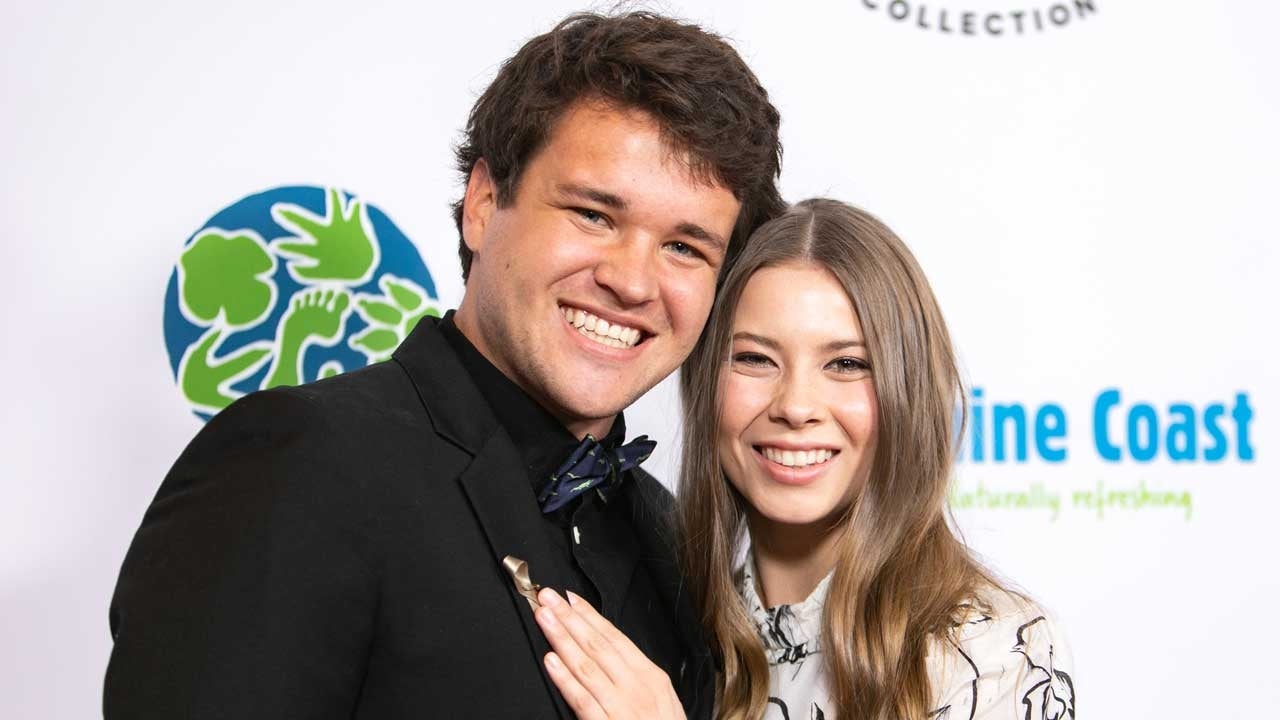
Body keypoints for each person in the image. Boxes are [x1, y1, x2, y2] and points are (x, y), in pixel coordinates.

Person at [104, 12, 784, 719]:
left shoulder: (673, 538)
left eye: (685, 247)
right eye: (594, 215)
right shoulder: (302, 464)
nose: (633, 282)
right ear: (484, 205)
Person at [533, 199, 1076, 720]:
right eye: (754, 358)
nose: (795, 406)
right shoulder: (674, 627)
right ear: (704, 384)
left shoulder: (994, 650)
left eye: (845, 363)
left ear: (906, 394)